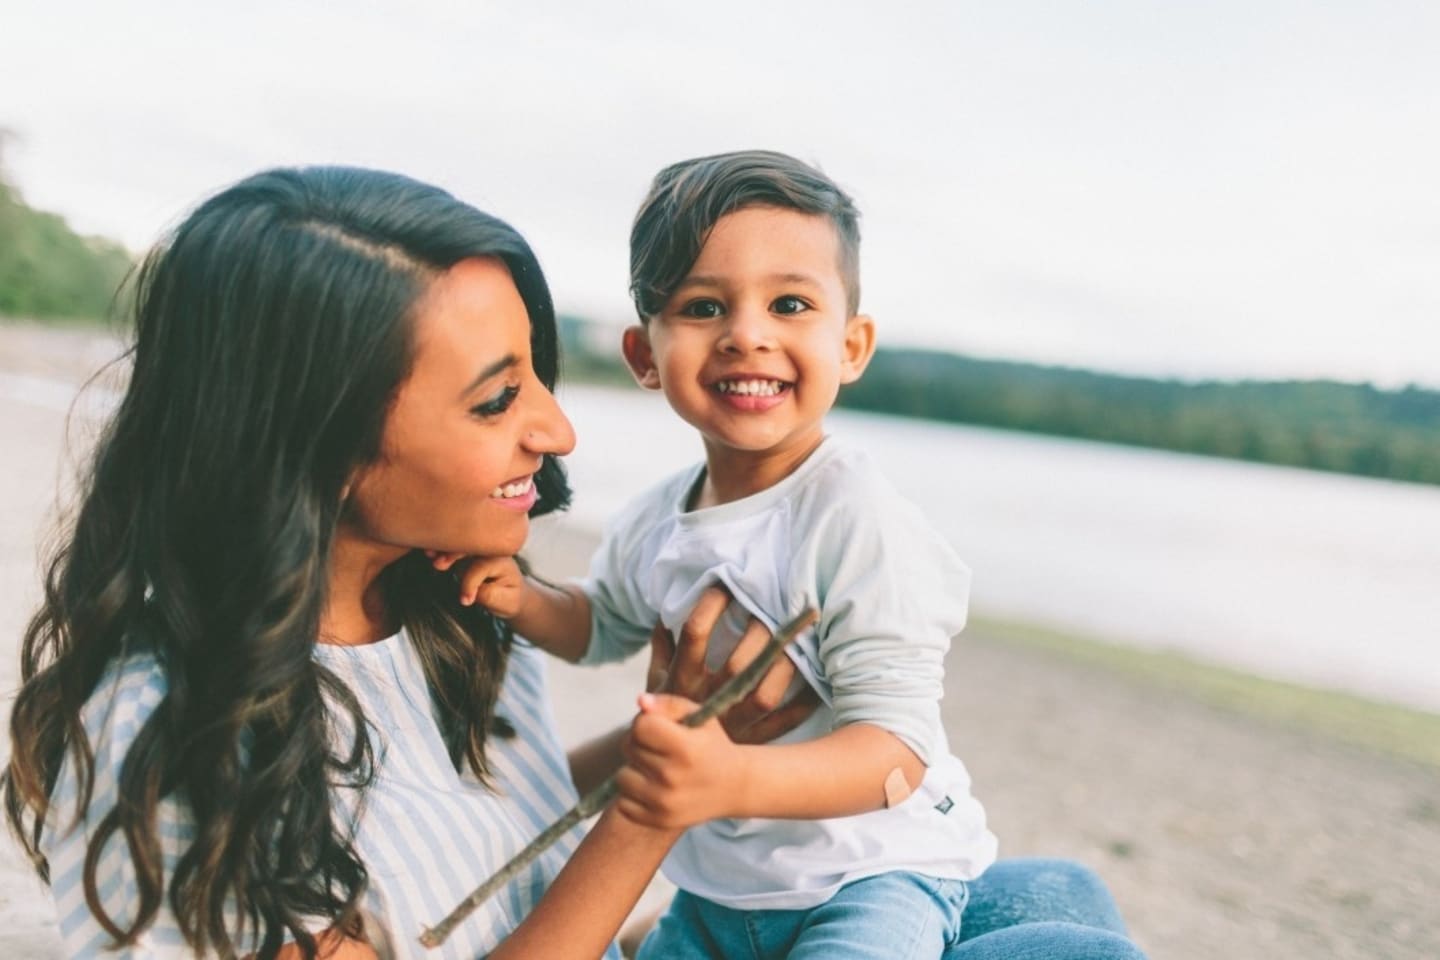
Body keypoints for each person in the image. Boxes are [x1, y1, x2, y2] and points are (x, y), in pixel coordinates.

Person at [1, 165, 811, 960]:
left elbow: (460, 845)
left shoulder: (456, 613)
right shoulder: (167, 739)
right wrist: (650, 812)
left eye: (534, 372)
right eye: (496, 400)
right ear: (318, 445)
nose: (558, 431)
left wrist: (676, 733)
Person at [453, 150, 1148, 959]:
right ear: (645, 355)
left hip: (873, 875)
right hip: (719, 888)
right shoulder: (654, 518)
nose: (748, 335)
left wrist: (727, 780)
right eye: (704, 307)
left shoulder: (858, 521)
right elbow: (601, 625)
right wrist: (523, 598)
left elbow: (896, 748)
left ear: (851, 347)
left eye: (789, 303)